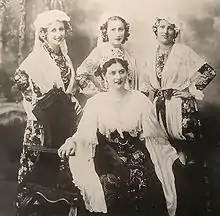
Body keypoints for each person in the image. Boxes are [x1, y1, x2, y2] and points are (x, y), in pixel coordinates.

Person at [58, 51, 186, 216]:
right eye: (112, 73)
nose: (118, 77)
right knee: (111, 186)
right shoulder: (95, 103)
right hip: (108, 158)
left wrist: (172, 155)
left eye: (121, 72)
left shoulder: (139, 100)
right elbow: (84, 133)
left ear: (127, 74)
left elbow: (156, 134)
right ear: (104, 76)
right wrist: (72, 142)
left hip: (137, 156)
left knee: (149, 184)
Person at [13, 10, 81, 216]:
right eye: (53, 30)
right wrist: (38, 104)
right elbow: (20, 77)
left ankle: (60, 202)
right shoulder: (38, 57)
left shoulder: (64, 57)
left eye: (61, 29)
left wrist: (72, 99)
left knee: (63, 161)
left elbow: (67, 89)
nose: (58, 34)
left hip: (63, 121)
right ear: (43, 34)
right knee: (40, 166)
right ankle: (32, 203)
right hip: (42, 123)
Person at [139, 16, 216, 163]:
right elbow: (145, 83)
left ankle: (189, 180)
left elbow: (209, 72)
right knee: (164, 150)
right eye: (162, 27)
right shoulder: (149, 53)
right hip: (158, 106)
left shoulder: (183, 51)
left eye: (170, 28)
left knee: (185, 151)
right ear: (156, 29)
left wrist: (190, 92)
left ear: (175, 32)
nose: (166, 31)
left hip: (180, 106)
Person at [75, 13, 138, 102]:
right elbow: (80, 76)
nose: (117, 34)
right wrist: (97, 95)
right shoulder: (99, 52)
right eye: (113, 30)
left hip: (128, 103)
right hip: (107, 103)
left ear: (125, 31)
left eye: (120, 29)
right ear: (106, 32)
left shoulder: (129, 55)